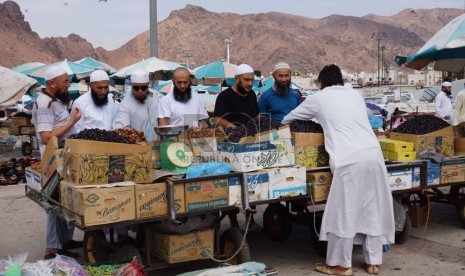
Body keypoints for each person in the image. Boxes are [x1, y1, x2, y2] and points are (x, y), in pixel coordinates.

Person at [282, 64, 394, 275]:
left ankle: (340, 266)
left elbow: (288, 118)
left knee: (344, 212)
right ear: (341, 81)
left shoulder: (320, 97)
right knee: (372, 208)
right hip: (374, 156)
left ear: (321, 83)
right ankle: (373, 262)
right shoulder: (355, 95)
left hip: (349, 159)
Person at [31, 65, 83, 260]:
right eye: (65, 81)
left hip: (64, 159)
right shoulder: (45, 104)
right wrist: (72, 122)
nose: (68, 84)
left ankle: (64, 241)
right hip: (54, 161)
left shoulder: (55, 101)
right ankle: (51, 249)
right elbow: (46, 137)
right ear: (52, 83)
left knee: (65, 202)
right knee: (55, 205)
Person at [214, 64, 261, 231]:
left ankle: (250, 220)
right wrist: (233, 127)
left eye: (252, 80)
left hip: (250, 144)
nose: (249, 83)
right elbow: (218, 119)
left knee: (253, 184)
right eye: (246, 80)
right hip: (230, 147)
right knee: (232, 186)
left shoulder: (252, 95)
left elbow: (256, 115)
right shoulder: (224, 97)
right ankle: (233, 223)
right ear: (237, 79)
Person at [113, 68, 159, 141]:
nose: (140, 91)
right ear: (131, 85)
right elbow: (120, 123)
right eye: (136, 88)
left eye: (143, 88)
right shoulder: (126, 102)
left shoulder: (155, 96)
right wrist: (123, 129)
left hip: (156, 144)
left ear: (148, 85)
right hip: (138, 146)